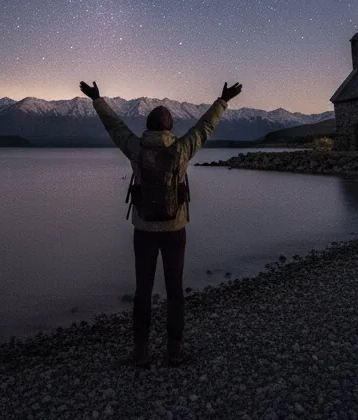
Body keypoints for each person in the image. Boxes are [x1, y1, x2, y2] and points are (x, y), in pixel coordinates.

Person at [79, 79, 243, 367]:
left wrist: (97, 100)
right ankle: (174, 352)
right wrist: (222, 101)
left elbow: (115, 128)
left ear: (148, 126)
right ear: (169, 128)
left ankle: (141, 353)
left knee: (143, 290)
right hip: (174, 230)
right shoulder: (181, 150)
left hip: (143, 230)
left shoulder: (137, 149)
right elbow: (205, 128)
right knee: (175, 290)